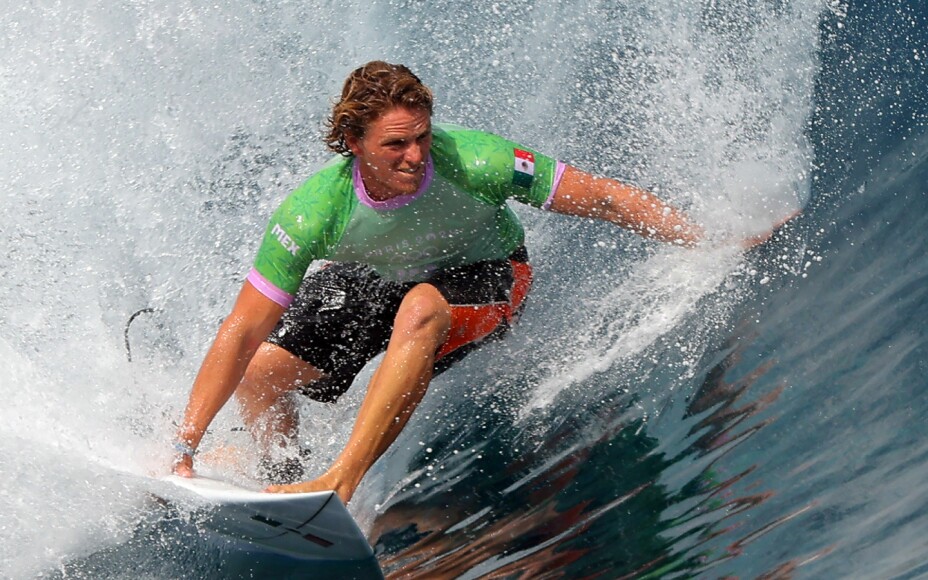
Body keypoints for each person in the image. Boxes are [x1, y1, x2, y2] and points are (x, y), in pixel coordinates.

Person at [172, 61, 781, 504]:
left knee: (418, 311)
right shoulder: (311, 213)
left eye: (421, 137)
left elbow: (600, 197)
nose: (416, 156)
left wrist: (708, 239)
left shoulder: (478, 160)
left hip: (490, 274)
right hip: (378, 275)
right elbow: (242, 328)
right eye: (395, 145)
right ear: (354, 144)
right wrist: (186, 446)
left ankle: (340, 481)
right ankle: (284, 477)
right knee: (261, 375)